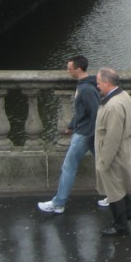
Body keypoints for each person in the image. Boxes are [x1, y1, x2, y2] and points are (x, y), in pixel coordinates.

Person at [38, 55, 99, 214]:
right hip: (86, 132)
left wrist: (88, 132)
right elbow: (82, 112)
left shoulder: (86, 89)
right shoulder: (84, 85)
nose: (68, 71)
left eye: (69, 68)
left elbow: (95, 113)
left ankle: (58, 203)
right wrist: (72, 126)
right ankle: (115, 196)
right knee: (103, 165)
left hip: (85, 134)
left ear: (78, 69)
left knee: (68, 166)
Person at [95, 67, 131, 237]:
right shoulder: (124, 96)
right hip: (125, 149)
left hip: (114, 153)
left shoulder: (113, 105)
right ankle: (128, 213)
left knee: (114, 190)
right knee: (123, 183)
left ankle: (120, 227)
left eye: (99, 83)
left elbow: (112, 138)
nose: (97, 86)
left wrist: (103, 162)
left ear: (106, 83)